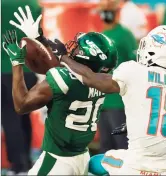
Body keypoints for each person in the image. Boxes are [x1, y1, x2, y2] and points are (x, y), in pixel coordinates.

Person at [62, 25, 166, 175]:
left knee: (94, 163)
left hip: (136, 168)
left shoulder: (134, 71)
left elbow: (91, 79)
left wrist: (63, 57)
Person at [3, 15, 118, 176]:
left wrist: (16, 63)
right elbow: (71, 72)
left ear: (86, 56)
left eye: (78, 48)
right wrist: (39, 39)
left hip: (58, 161)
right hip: (81, 158)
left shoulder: (62, 79)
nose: (73, 48)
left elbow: (21, 105)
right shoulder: (101, 81)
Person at [1, 1, 41, 174]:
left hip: (5, 68)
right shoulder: (33, 4)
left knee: (10, 118)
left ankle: (19, 165)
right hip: (29, 69)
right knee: (24, 116)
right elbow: (39, 38)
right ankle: (27, 160)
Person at [98, 0, 137, 152]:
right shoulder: (101, 35)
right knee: (105, 145)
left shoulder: (125, 34)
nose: (106, 12)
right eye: (103, 9)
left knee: (122, 144)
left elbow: (134, 63)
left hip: (119, 100)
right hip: (102, 100)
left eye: (109, 8)